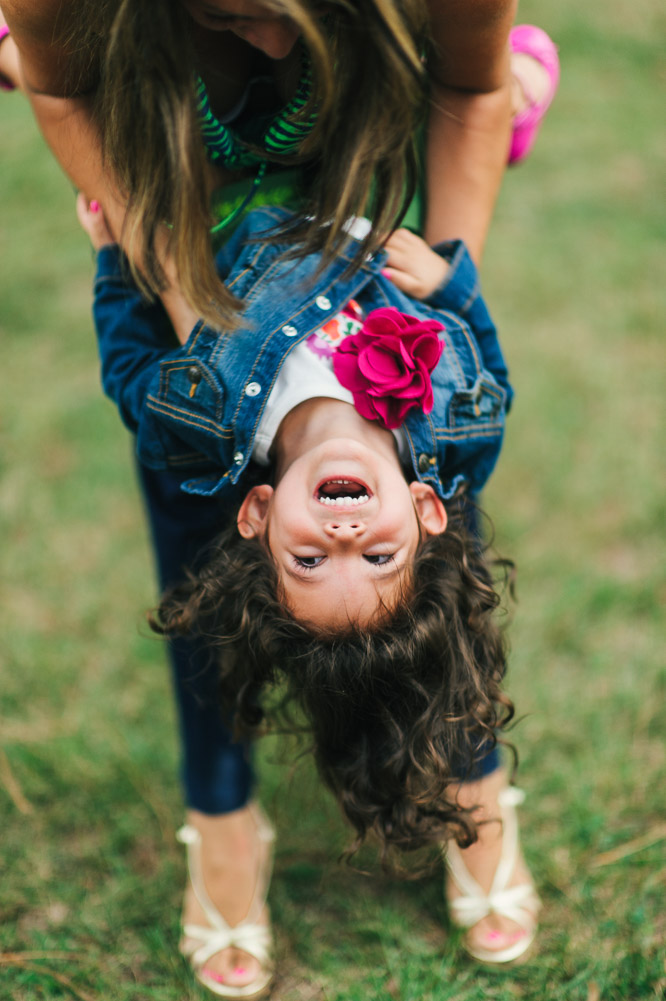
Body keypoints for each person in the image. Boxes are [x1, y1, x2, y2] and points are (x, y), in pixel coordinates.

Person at [1, 0, 558, 994]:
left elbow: (130, 369)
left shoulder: (202, 429)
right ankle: (304, 811)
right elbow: (487, 364)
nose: (347, 532)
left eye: (314, 556)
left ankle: (461, 792)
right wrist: (452, 282)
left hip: (213, 273)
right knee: (438, 621)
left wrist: (119, 262)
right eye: (372, 549)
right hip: (364, 272)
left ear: (260, 521)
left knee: (200, 578)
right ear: (416, 510)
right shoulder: (450, 437)